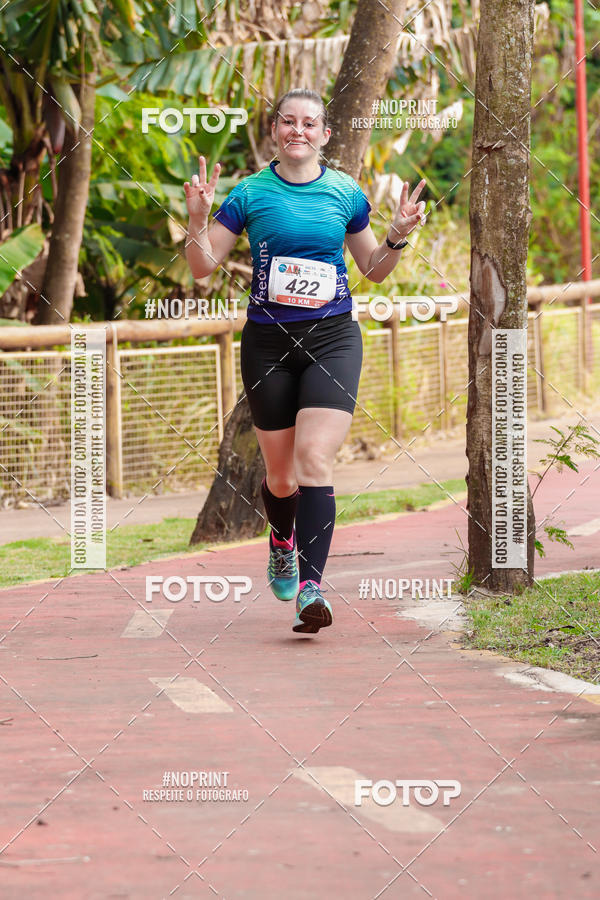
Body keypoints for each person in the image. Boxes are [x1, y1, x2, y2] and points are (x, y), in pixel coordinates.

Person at [184, 88, 426, 635]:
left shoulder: (345, 192)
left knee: (314, 459)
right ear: (276, 130)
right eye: (288, 122)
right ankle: (281, 540)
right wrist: (198, 217)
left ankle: (312, 589)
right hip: (268, 344)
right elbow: (202, 266)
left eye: (309, 123)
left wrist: (396, 237)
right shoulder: (250, 193)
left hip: (332, 339)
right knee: (279, 475)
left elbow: (373, 269)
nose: (298, 131)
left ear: (324, 134)